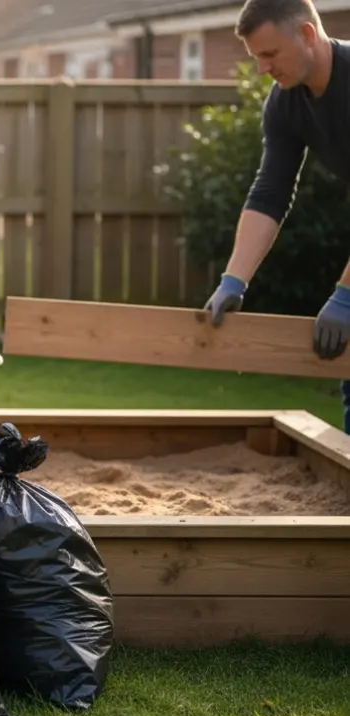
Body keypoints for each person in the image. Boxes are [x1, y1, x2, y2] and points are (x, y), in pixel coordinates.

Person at [203, 0, 350, 433]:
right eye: (256, 58)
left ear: (307, 35)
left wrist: (344, 296)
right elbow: (270, 192)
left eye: (270, 54)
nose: (263, 69)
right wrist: (234, 279)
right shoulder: (286, 104)